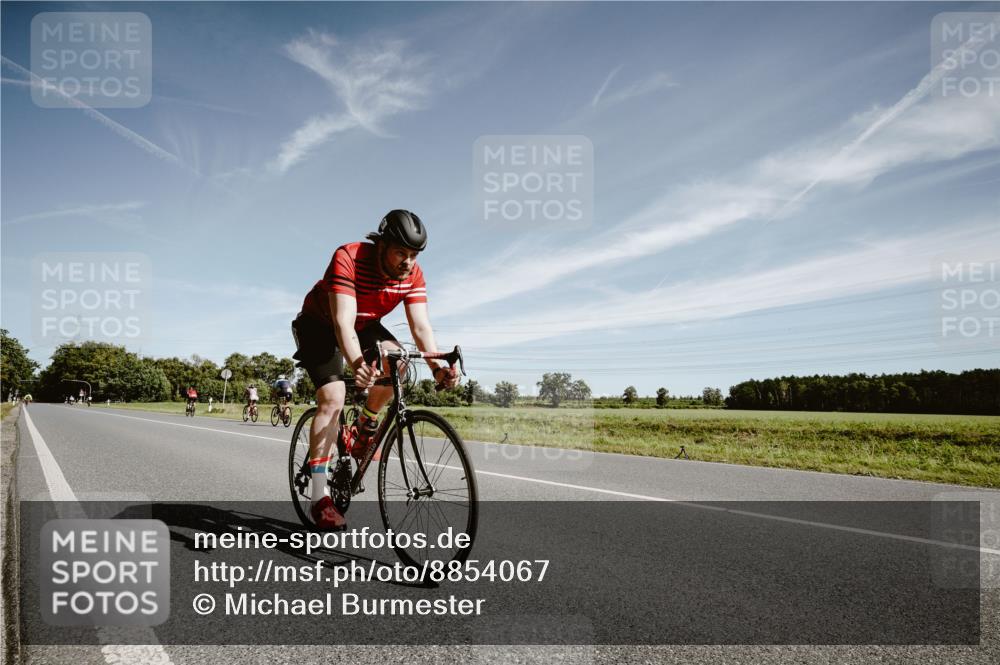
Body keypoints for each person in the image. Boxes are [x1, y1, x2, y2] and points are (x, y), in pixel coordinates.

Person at [292, 209, 459, 530]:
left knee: (399, 361)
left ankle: (363, 429)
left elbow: (421, 327)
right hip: (320, 324)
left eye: (414, 255)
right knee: (333, 396)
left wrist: (437, 367)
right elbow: (342, 321)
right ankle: (319, 498)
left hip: (364, 323)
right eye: (401, 252)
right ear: (381, 244)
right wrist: (356, 363)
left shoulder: (413, 275)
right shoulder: (349, 257)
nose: (407, 261)